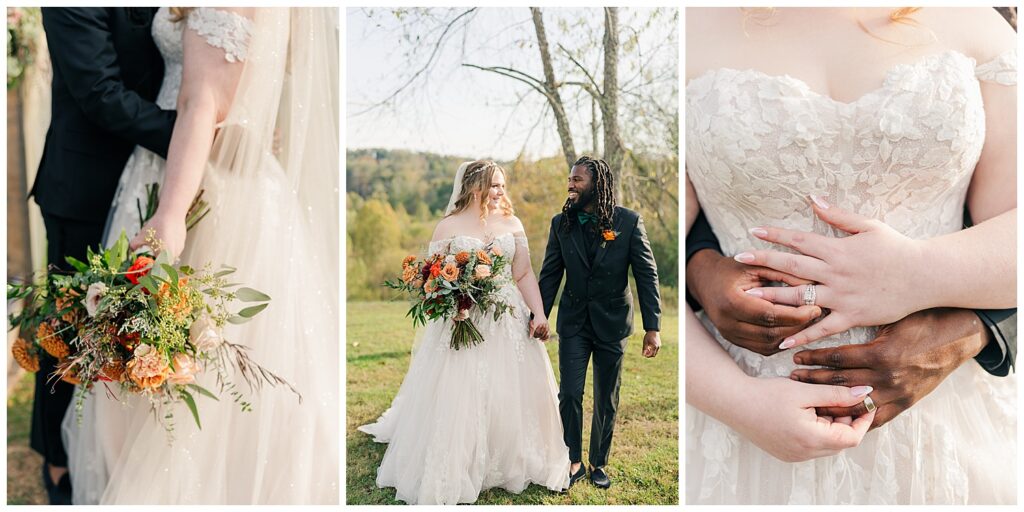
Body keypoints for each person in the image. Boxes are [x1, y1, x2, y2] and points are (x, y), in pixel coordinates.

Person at [685, 7, 1016, 504]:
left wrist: (916, 274)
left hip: (944, 416)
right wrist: (740, 402)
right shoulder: (690, 27)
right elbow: (659, 254)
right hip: (743, 407)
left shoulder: (976, 23)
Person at [61, 7, 339, 504]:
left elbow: (201, 102)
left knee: (186, 350)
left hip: (194, 179)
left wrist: (170, 214)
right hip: (206, 165)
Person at [359, 160, 570, 504]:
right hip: (463, 317)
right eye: (495, 185)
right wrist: (454, 302)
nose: (501, 191)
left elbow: (523, 274)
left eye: (503, 185)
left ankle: (511, 456)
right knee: (462, 388)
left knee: (508, 386)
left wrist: (539, 312)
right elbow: (433, 279)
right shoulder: (449, 226)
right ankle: (461, 459)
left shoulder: (512, 223)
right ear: (475, 187)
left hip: (507, 316)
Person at [31, 7, 176, 504]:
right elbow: (99, 91)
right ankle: (58, 460)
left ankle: (118, 456)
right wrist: (196, 135)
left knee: (133, 333)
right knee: (67, 336)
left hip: (153, 181)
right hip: (83, 191)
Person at [537, 156, 662, 489]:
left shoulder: (629, 222)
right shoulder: (560, 224)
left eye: (577, 179)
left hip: (613, 323)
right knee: (570, 394)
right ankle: (573, 461)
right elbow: (550, 275)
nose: (571, 184)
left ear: (596, 184)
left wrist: (652, 327)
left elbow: (647, 275)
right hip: (574, 322)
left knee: (607, 397)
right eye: (570, 179)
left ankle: (598, 463)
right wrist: (538, 316)